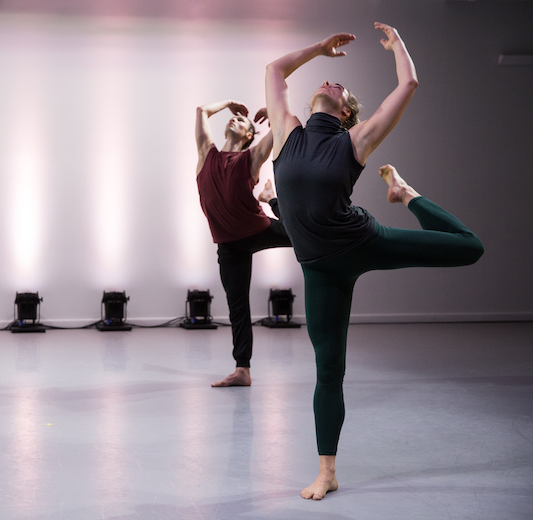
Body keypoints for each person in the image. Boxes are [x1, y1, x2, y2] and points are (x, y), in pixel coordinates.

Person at [265, 23, 484, 499]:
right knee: (329, 369)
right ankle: (327, 472)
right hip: (319, 267)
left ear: (345, 111)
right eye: (324, 80)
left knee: (470, 248)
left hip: (362, 241)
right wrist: (319, 50)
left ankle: (406, 194)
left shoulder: (354, 141)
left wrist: (399, 46)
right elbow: (276, 69)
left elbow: (408, 85)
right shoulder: (287, 133)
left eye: (338, 86)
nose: (329, 81)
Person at [195, 100, 293, 387]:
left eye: (242, 121)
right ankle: (242, 370)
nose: (234, 120)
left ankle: (270, 199)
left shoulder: (250, 158)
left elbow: (282, 128)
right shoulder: (206, 154)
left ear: (250, 135)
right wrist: (228, 104)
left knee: (303, 232)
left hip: (257, 229)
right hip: (229, 244)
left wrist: (273, 113)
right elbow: (201, 111)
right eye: (232, 118)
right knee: (237, 305)